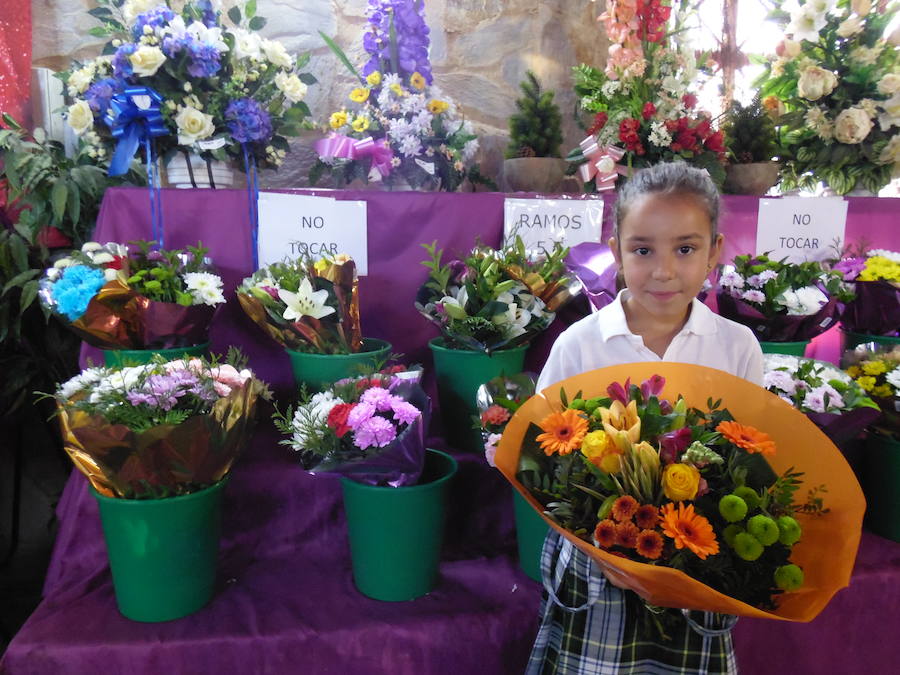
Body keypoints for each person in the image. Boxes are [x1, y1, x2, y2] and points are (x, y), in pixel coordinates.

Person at [527, 162, 764, 674]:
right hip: (598, 564)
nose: (663, 271)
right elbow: (540, 458)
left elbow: (754, 454)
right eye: (642, 250)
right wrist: (599, 547)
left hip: (695, 567)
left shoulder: (737, 346)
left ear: (715, 252)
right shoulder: (580, 344)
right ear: (615, 253)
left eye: (685, 248)